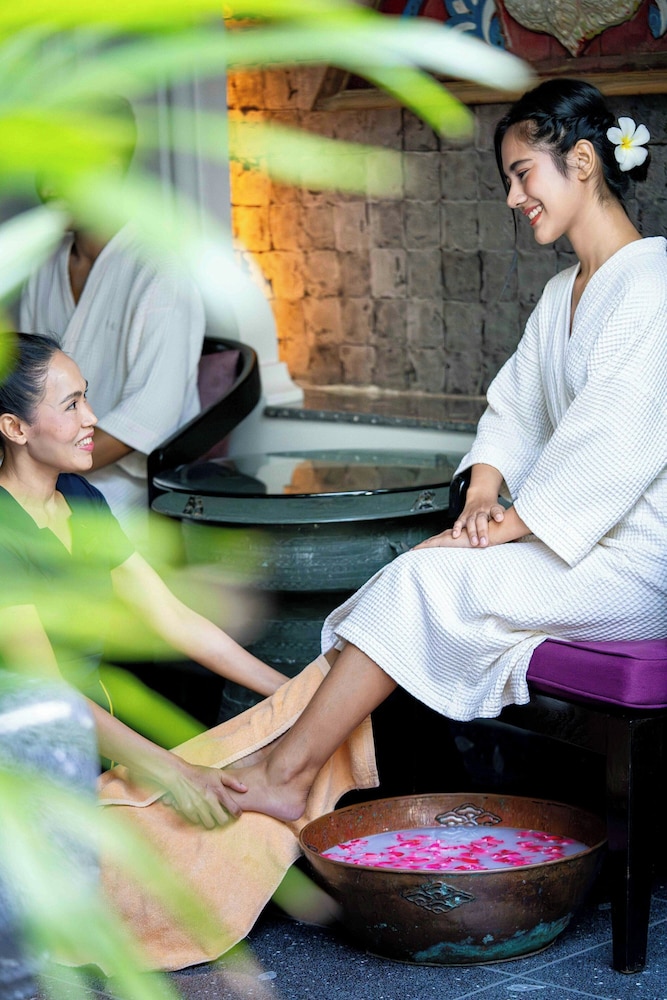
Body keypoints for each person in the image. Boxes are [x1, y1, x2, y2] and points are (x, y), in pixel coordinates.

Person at [223, 78, 667, 823]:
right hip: (574, 547)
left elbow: (612, 443)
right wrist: (484, 491)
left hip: (634, 565)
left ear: (583, 162)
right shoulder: (563, 292)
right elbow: (514, 408)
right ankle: (290, 763)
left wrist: (501, 529)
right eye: (508, 181)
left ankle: (289, 772)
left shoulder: (652, 285)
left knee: (425, 581)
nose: (512, 198)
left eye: (522, 174)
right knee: (419, 573)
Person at [0, 332, 288, 828]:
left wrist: (289, 692)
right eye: (71, 405)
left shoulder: (82, 498)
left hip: (101, 734)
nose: (92, 418)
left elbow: (172, 616)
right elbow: (50, 694)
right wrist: (173, 771)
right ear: (15, 428)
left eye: (86, 397)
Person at [19, 97, 206, 545]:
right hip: (38, 469)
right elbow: (21, 381)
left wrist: (39, 473)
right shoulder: (45, 267)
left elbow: (148, 419)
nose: (46, 186)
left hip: (126, 485)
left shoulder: (162, 267)